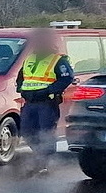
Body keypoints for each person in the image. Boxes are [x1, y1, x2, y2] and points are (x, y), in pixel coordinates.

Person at [15, 27, 74, 175]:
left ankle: (43, 163)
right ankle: (39, 156)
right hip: (29, 103)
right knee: (27, 132)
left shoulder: (58, 60)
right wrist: (21, 88)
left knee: (46, 133)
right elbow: (22, 76)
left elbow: (66, 78)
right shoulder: (30, 59)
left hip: (47, 103)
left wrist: (50, 90)